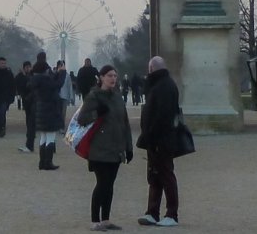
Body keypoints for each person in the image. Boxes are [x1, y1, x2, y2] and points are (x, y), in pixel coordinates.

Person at [76, 64, 134, 232]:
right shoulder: (93, 96)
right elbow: (81, 119)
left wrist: (128, 147)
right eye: (109, 75)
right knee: (102, 184)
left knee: (110, 185)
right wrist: (97, 113)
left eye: (115, 76)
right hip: (99, 148)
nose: (113, 79)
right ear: (101, 77)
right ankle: (95, 220)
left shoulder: (117, 97)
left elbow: (125, 123)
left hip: (116, 148)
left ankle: (106, 219)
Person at [136, 56, 180, 227]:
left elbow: (162, 116)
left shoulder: (163, 86)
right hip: (157, 138)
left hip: (160, 139)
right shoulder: (164, 84)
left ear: (151, 68)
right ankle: (152, 212)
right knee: (155, 175)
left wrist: (151, 135)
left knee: (166, 174)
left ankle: (171, 213)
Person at [32, 59, 66, 171]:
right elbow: (58, 84)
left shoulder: (38, 80)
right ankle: (48, 162)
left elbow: (52, 83)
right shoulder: (45, 80)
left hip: (41, 110)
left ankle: (42, 162)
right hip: (50, 111)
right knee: (50, 138)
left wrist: (57, 73)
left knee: (43, 137)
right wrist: (62, 72)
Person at [18, 52, 42, 153]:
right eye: (26, 67)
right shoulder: (22, 76)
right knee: (30, 122)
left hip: (32, 102)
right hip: (28, 101)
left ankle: (30, 144)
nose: (28, 69)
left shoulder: (32, 77)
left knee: (31, 123)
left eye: (29, 67)